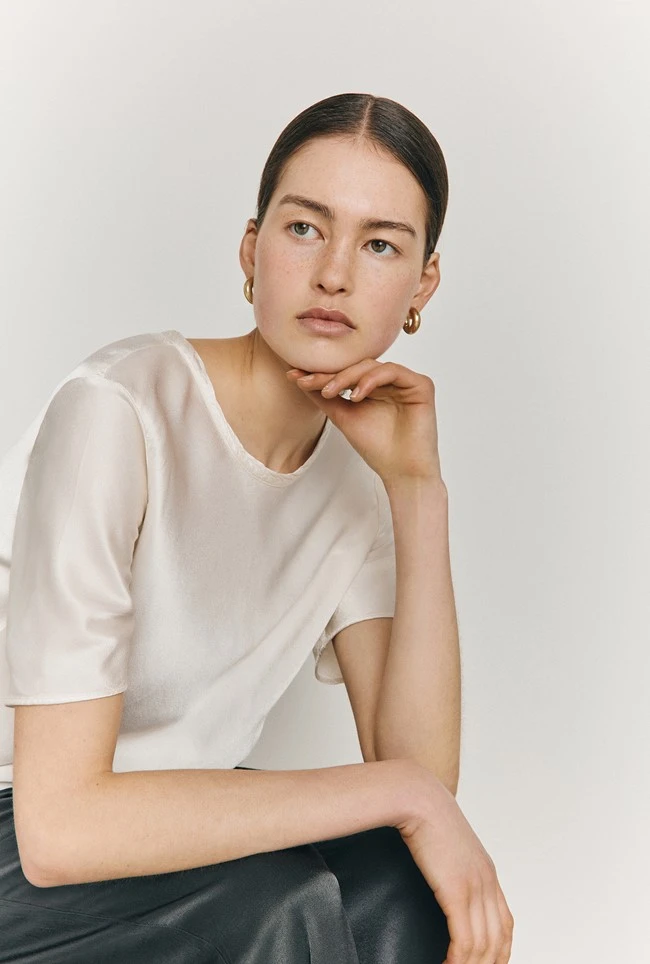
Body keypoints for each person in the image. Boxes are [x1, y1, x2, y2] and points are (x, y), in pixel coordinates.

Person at [0, 92, 514, 963]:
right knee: (277, 900)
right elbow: (57, 831)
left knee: (402, 892)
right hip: (24, 830)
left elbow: (423, 782)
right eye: (305, 228)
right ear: (252, 249)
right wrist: (403, 794)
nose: (334, 274)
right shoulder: (119, 412)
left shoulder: (359, 479)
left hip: (174, 829)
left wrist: (419, 492)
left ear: (422, 285)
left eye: (380, 244)